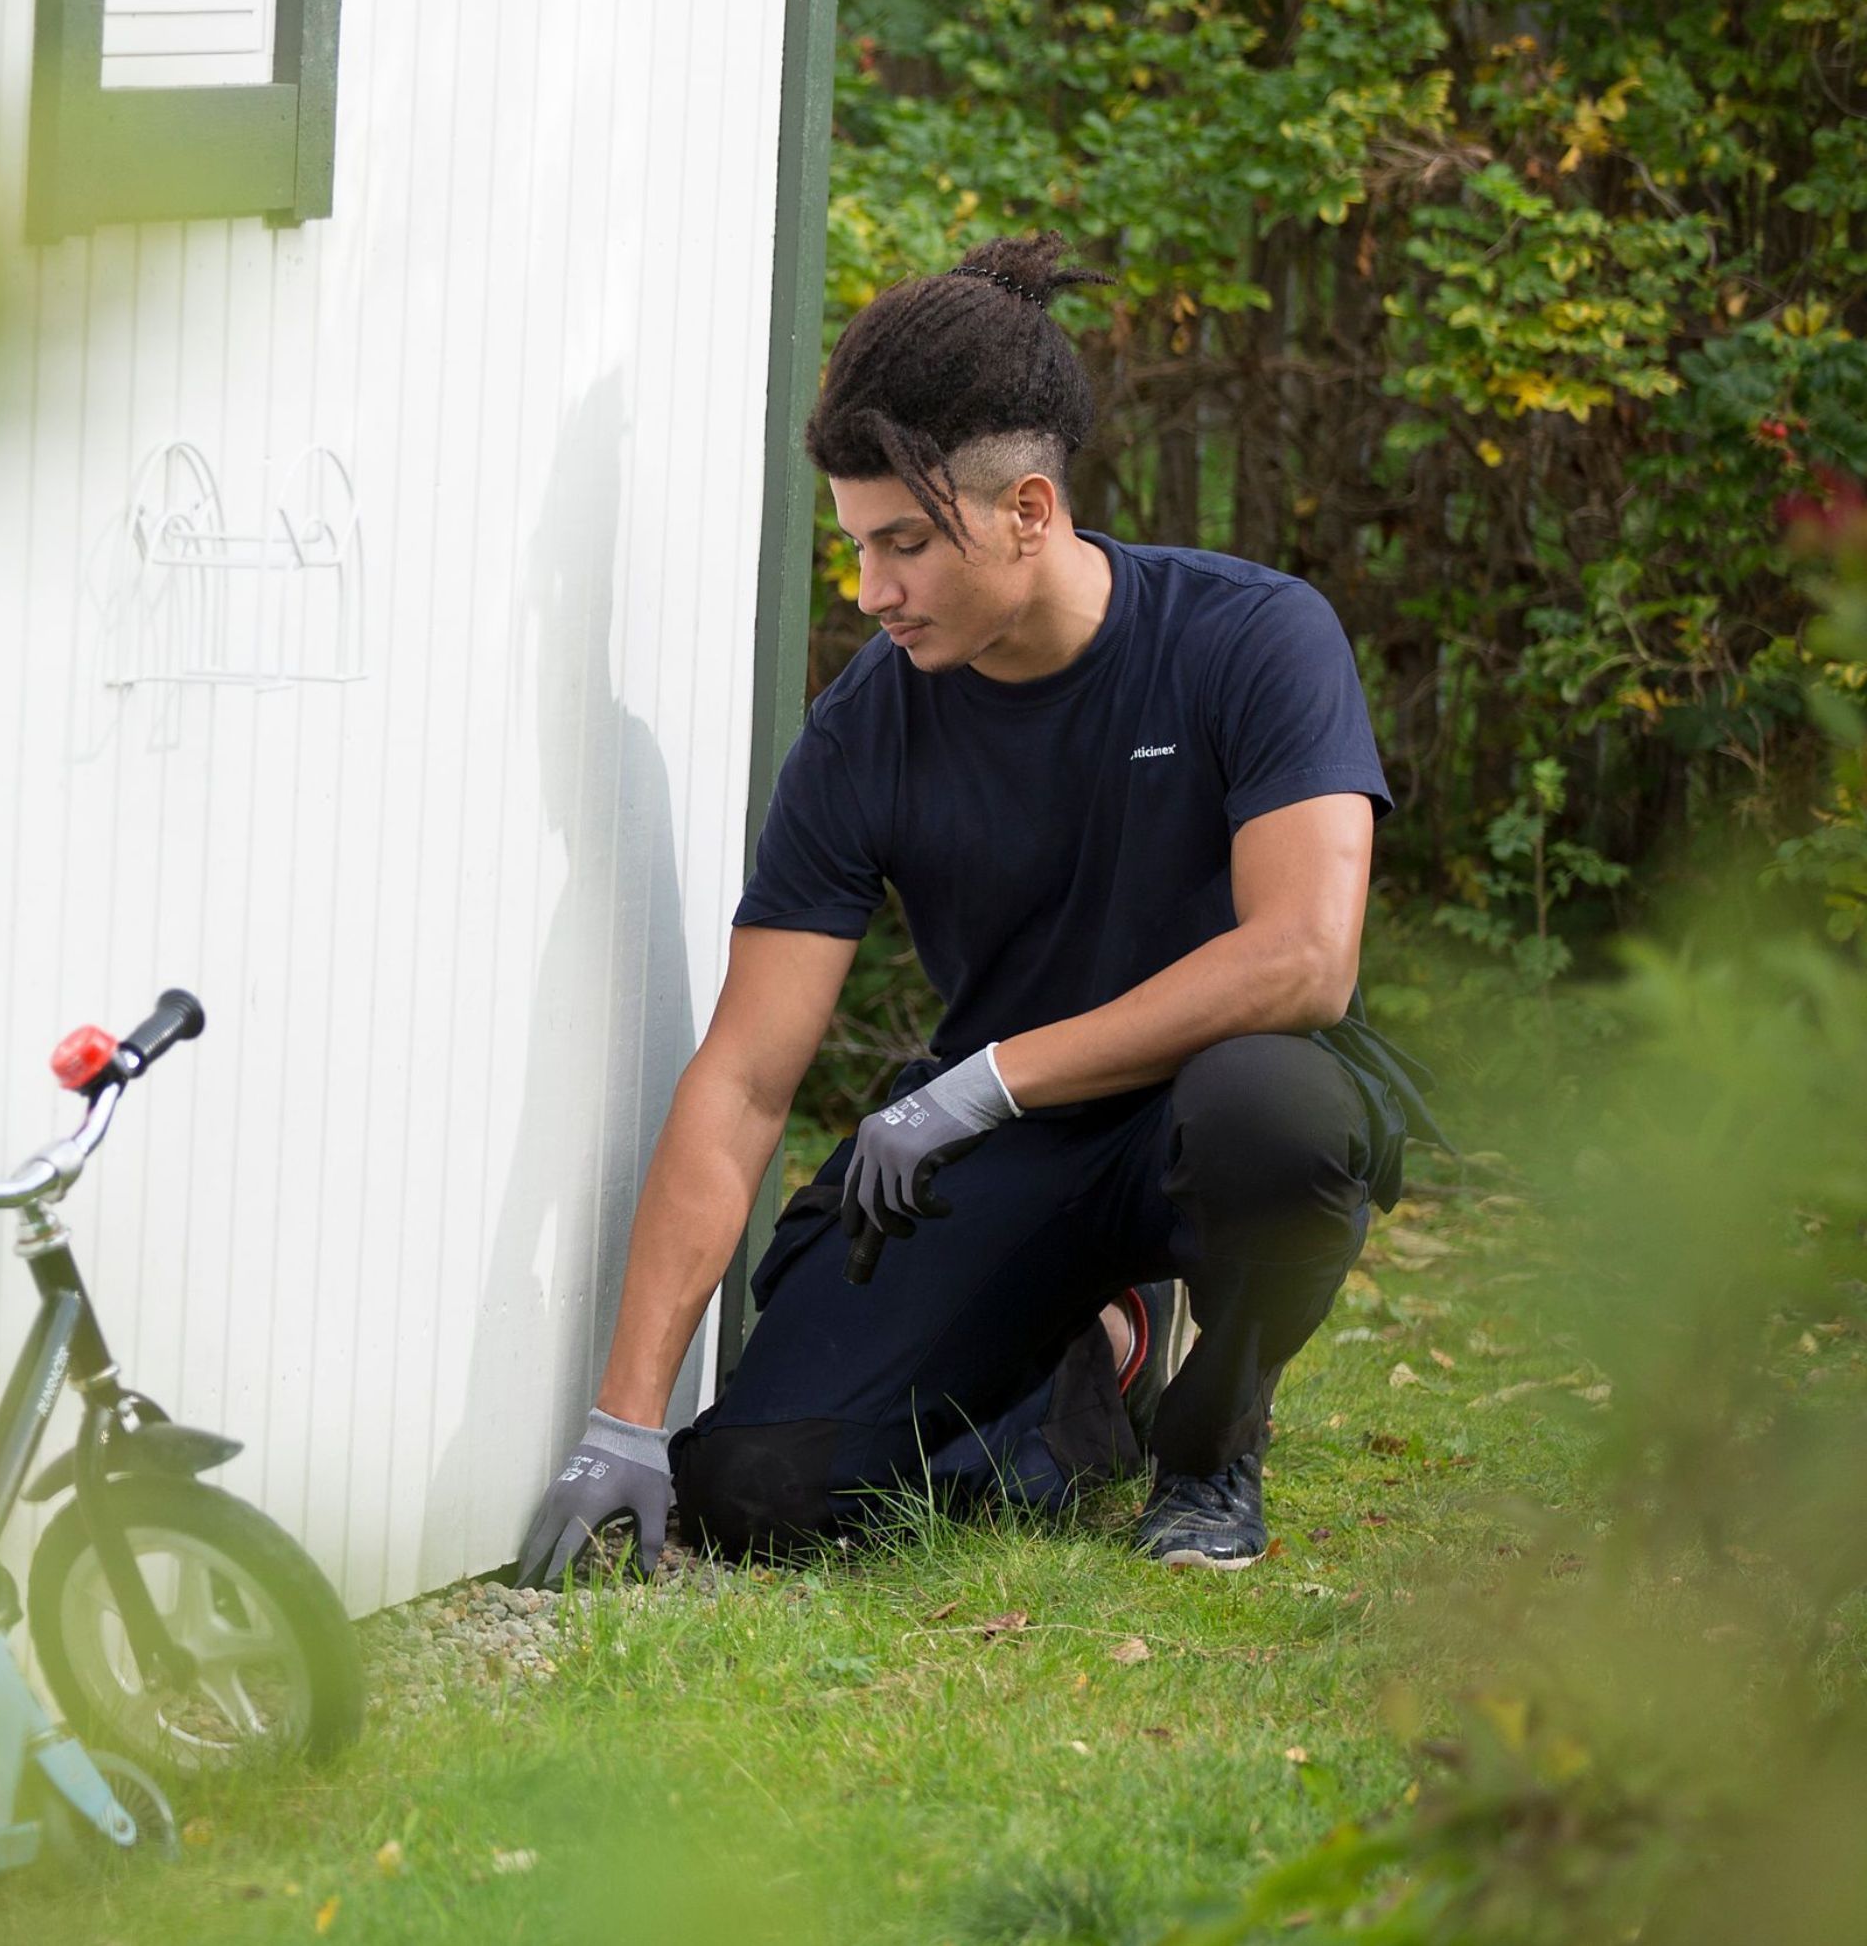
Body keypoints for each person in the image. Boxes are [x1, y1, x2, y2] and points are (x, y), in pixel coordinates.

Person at [518, 232, 1400, 1578]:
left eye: (906, 546)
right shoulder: (866, 731)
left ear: (1029, 512)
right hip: (1004, 1149)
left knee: (1276, 1118)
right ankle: (1099, 1362)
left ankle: (1214, 1445)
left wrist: (979, 1081)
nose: (872, 594)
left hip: (1197, 1115)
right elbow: (749, 1081)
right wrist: (621, 1417)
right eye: (858, 546)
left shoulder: (1252, 638)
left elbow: (1303, 962)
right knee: (755, 1491)